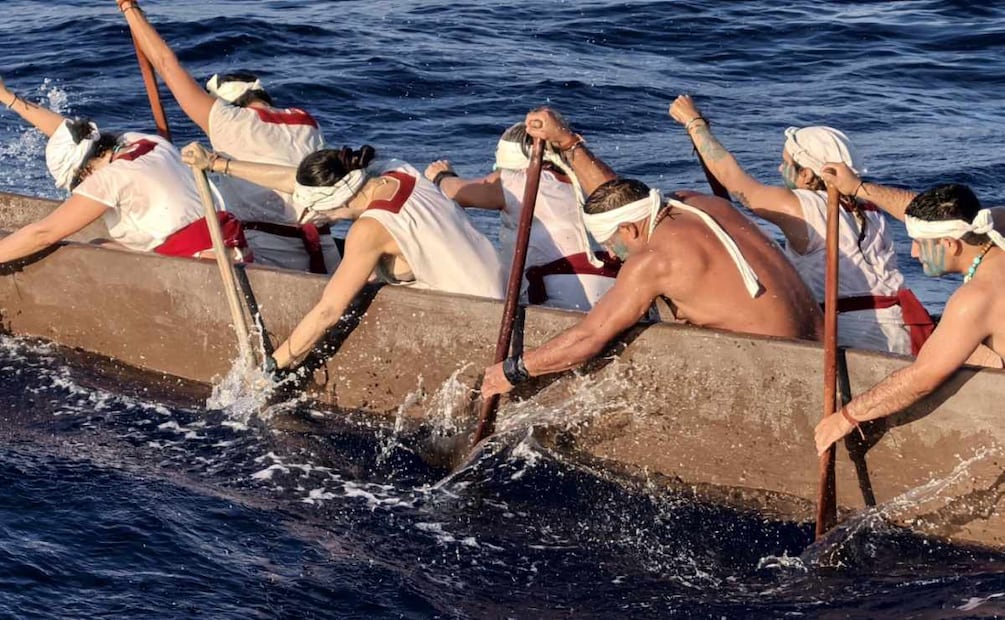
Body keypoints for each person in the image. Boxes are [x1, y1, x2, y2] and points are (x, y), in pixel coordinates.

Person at [480, 108, 822, 398]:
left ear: (629, 230)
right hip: (820, 353)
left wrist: (513, 371)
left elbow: (588, 338)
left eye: (614, 244)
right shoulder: (697, 202)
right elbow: (618, 195)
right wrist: (568, 143)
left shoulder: (654, 260)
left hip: (778, 373)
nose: (614, 256)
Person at [183, 143, 506, 371]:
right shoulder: (394, 171)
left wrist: (273, 365)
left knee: (346, 296)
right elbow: (295, 180)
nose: (312, 217)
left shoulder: (369, 229)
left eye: (317, 210)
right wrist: (217, 164)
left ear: (335, 200)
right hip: (504, 297)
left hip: (475, 327)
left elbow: (328, 311)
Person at [668, 95, 934, 356]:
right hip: (904, 326)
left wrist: (695, 123)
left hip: (852, 332)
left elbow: (733, 181)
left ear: (806, 174)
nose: (779, 168)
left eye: (786, 163)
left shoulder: (801, 205)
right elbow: (923, 208)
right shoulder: (871, 207)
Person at [117, 0, 338, 273]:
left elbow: (165, 64)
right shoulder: (308, 122)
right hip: (326, 252)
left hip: (270, 254)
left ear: (225, 102)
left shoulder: (228, 120)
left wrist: (129, 8)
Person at [815, 181, 1005, 455]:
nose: (913, 252)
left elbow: (921, 378)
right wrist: (856, 186)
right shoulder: (995, 224)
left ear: (950, 244)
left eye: (919, 243)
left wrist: (847, 417)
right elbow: (932, 214)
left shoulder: (976, 298)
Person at [0, 77, 246, 263]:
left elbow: (42, 234)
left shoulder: (108, 178)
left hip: (205, 267)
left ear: (83, 174)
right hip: (236, 247)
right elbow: (68, 133)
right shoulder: (141, 141)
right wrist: (8, 97)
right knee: (101, 243)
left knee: (93, 252)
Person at [424, 122, 618, 311]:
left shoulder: (521, 181)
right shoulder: (586, 184)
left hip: (563, 289)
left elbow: (458, 193)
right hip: (614, 288)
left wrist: (442, 176)